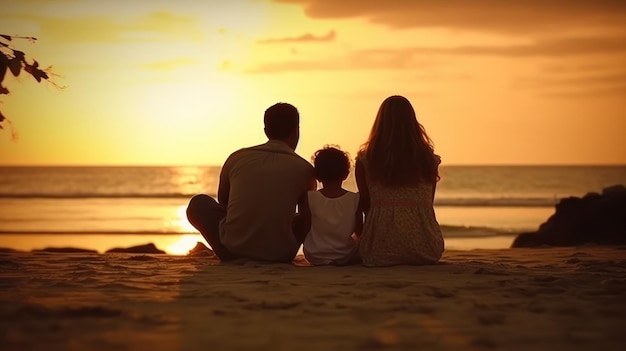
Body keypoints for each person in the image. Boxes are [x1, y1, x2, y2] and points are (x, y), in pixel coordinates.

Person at [186, 102, 315, 262]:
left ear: (266, 131)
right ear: (296, 130)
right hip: (280, 255)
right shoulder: (306, 169)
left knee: (199, 203)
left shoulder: (237, 158)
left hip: (231, 249)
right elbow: (306, 219)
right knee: (307, 214)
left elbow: (225, 202)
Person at [355, 95, 444, 266]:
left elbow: (366, 204)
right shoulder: (428, 160)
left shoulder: (366, 160)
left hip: (379, 249)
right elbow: (427, 202)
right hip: (427, 247)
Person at [302, 145, 363, 266]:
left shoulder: (309, 198)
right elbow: (359, 231)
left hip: (315, 255)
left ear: (317, 176)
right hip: (345, 255)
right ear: (346, 174)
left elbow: (305, 228)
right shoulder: (355, 199)